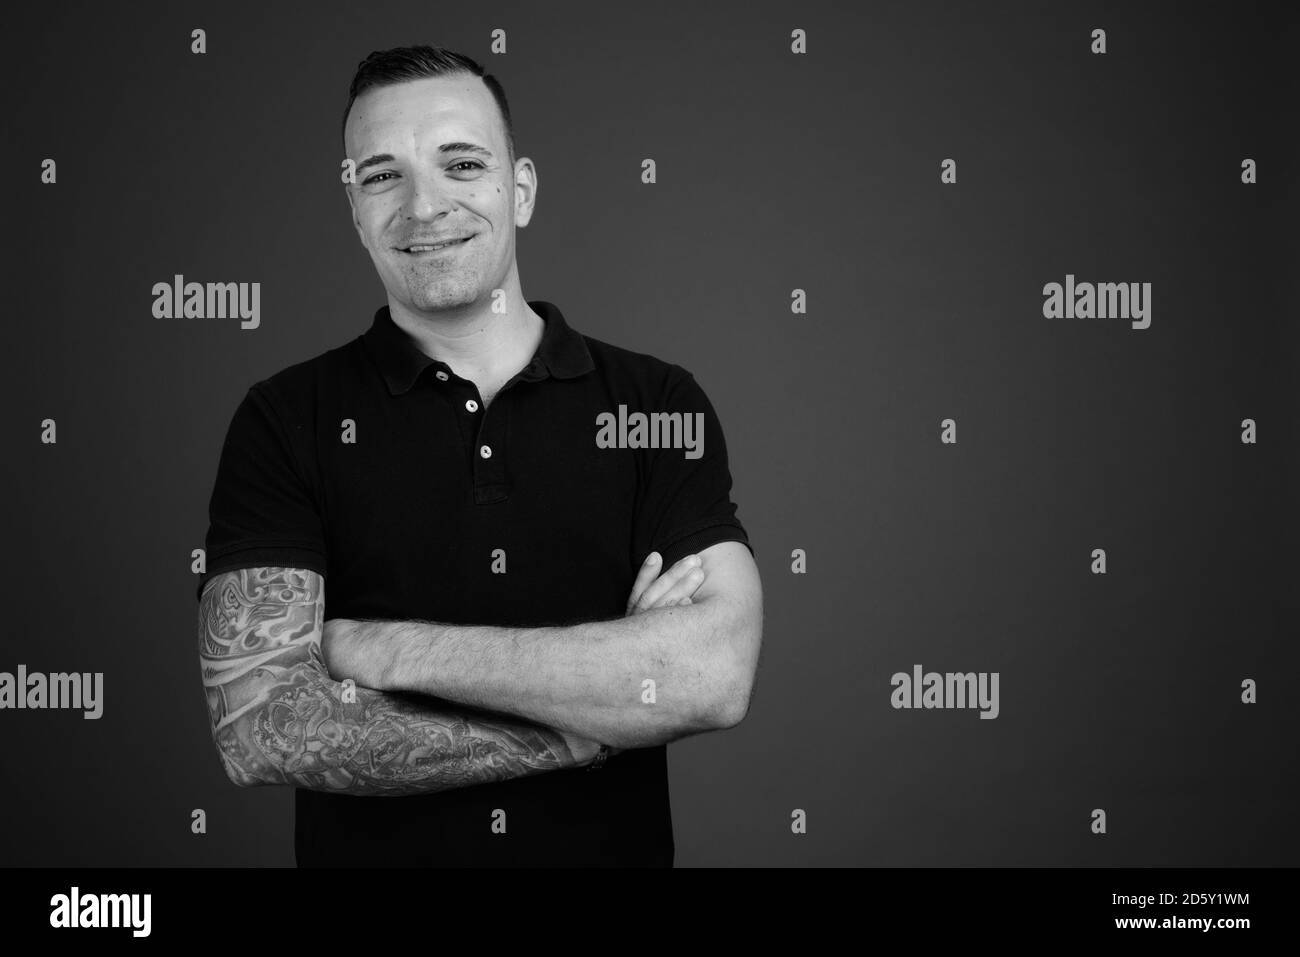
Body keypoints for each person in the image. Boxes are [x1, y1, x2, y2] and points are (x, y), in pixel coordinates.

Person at [195, 44, 763, 867]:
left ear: (520, 188)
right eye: (383, 175)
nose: (425, 207)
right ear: (353, 205)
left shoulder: (656, 405)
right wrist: (583, 723)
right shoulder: (284, 420)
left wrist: (379, 649)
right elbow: (262, 727)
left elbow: (711, 675)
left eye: (461, 163)